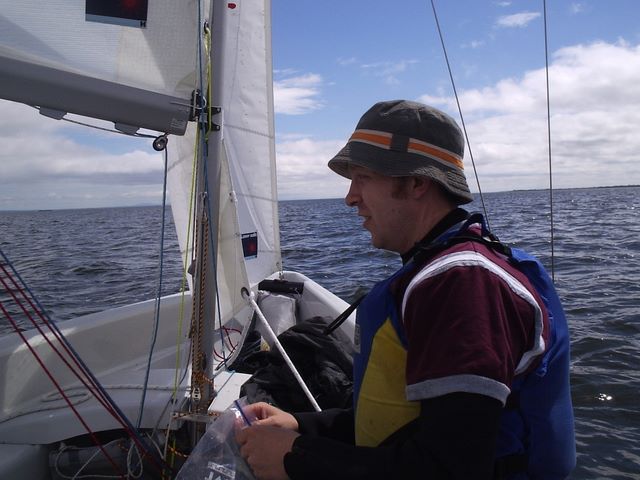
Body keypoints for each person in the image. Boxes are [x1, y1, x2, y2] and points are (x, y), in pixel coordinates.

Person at [236, 100, 575, 479]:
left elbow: (450, 468)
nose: (350, 197)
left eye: (363, 177)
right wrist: (302, 426)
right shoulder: (439, 273)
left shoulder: (464, 284)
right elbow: (408, 424)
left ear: (416, 182)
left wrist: (296, 458)